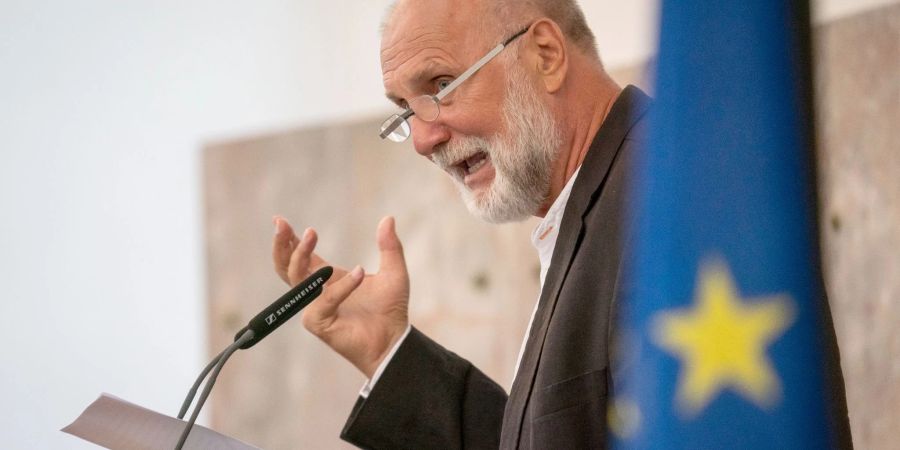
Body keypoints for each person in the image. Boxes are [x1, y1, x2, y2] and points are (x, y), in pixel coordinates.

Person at [270, 1, 849, 448]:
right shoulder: (598, 202)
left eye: (440, 86)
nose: (422, 139)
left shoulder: (670, 209)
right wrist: (386, 351)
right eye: (405, 108)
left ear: (545, 54)